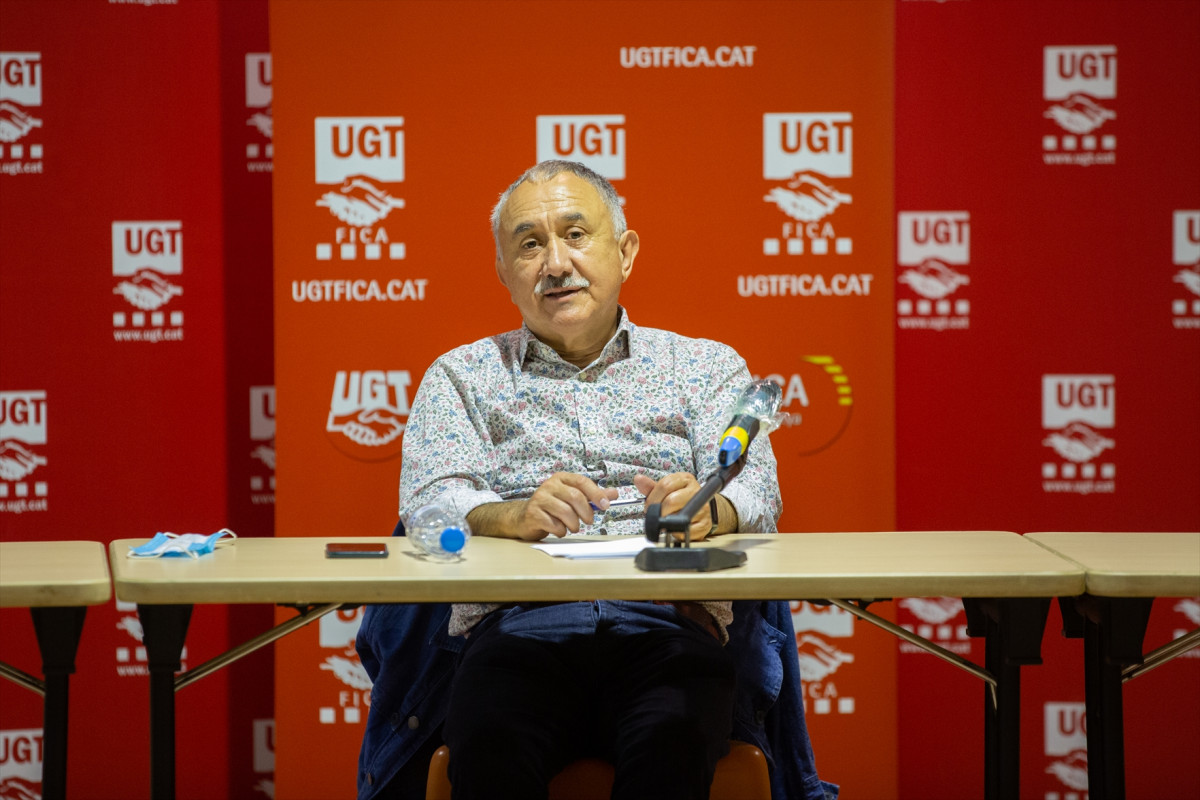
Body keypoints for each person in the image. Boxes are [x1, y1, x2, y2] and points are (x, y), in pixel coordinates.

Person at [387, 160, 808, 800]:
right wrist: (512, 514)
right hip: (518, 632)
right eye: (530, 244)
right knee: (491, 751)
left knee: (671, 748)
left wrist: (706, 510)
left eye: (576, 235)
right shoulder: (461, 376)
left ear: (626, 251)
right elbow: (428, 503)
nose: (555, 263)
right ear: (504, 272)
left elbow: (757, 494)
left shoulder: (702, 365)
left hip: (666, 626)